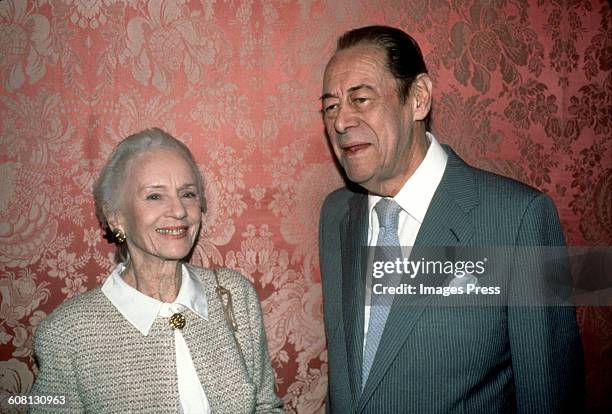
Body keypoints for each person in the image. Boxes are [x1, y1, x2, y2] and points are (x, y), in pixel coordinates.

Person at [318, 25, 584, 413]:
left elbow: (550, 397)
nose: (341, 121)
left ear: (419, 99)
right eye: (330, 106)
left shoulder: (518, 220)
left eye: (360, 99)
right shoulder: (336, 215)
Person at [30, 128, 283, 413]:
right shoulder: (67, 333)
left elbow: (265, 406)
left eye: (188, 194)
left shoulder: (234, 295)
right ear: (116, 218)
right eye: (154, 196)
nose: (178, 211)